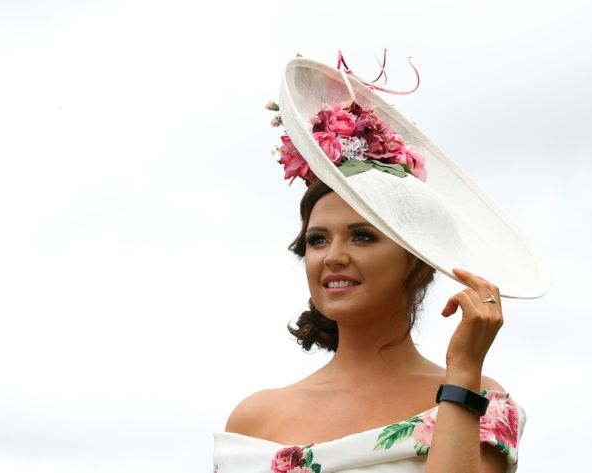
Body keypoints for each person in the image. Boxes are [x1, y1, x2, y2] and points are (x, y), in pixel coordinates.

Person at [213, 56, 547, 473]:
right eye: (318, 240)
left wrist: (463, 374)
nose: (333, 256)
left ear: (420, 263)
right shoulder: (254, 419)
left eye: (362, 236)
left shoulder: (482, 401)